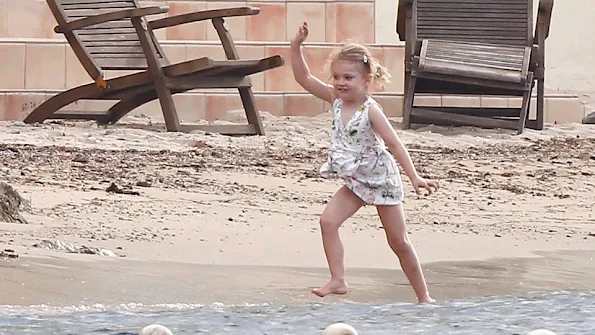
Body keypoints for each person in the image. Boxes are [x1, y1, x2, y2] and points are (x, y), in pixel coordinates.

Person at [290, 21, 439, 304]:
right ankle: (338, 279)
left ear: (366, 80)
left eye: (348, 77)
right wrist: (296, 46)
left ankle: (424, 297)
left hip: (381, 180)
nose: (340, 83)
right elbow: (304, 78)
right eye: (336, 77)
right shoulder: (335, 99)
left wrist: (415, 177)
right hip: (356, 180)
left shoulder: (371, 111)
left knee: (398, 242)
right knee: (327, 221)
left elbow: (394, 144)